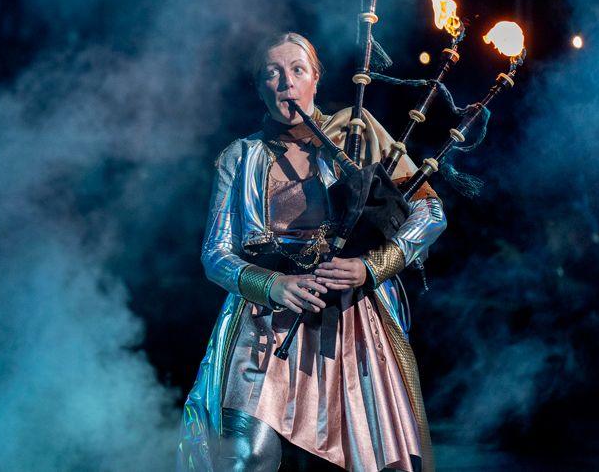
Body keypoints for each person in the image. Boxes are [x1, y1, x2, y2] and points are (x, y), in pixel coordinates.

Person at [177, 32, 447, 472]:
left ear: (315, 80)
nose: (286, 82)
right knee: (244, 457)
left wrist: (371, 266)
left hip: (353, 317)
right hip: (266, 320)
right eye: (273, 73)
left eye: (297, 70)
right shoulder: (239, 157)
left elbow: (430, 211)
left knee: (384, 464)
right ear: (261, 87)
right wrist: (272, 284)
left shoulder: (356, 134)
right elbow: (216, 253)